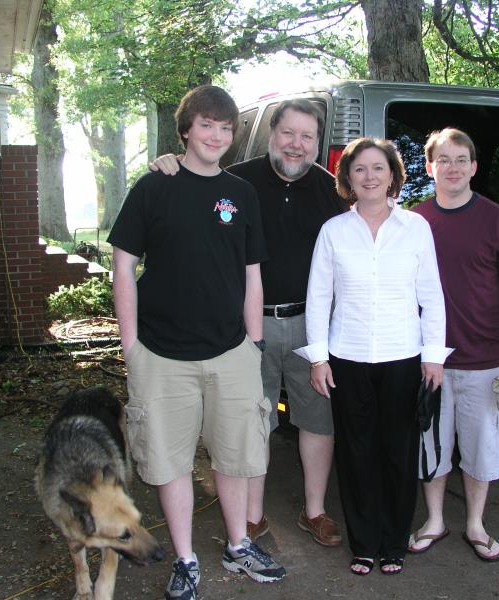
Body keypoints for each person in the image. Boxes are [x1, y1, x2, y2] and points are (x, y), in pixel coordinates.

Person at [109, 85, 285, 600]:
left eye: (226, 128)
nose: (217, 135)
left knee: (236, 456)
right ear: (186, 130)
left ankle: (238, 546)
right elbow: (123, 266)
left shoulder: (242, 194)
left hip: (232, 351)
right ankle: (185, 559)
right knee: (169, 462)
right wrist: (131, 345)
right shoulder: (153, 186)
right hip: (161, 355)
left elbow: (254, 274)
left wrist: (254, 343)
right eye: (206, 125)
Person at [150, 99, 348, 547]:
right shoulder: (236, 182)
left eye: (308, 136)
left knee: (318, 420)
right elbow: (192, 205)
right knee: (253, 422)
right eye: (288, 133)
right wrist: (168, 165)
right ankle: (253, 518)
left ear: (318, 143)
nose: (296, 145)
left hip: (311, 328)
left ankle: (314, 511)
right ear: (270, 134)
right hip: (246, 327)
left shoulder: (332, 190)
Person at [295, 137, 451, 576]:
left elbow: (432, 296)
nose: (369, 177)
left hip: (405, 356)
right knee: (358, 453)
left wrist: (434, 356)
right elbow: (319, 296)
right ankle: (364, 544)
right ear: (348, 178)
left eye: (377, 168)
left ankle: (393, 543)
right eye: (360, 169)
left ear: (392, 176)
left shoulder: (416, 228)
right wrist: (319, 359)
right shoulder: (334, 231)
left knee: (398, 453)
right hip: (348, 357)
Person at [407, 128, 499, 562]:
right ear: (430, 167)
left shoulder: (497, 219)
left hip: (486, 359)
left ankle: (476, 524)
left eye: (461, 159)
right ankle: (436, 520)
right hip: (430, 362)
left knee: (482, 449)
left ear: (474, 167)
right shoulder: (414, 221)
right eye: (444, 160)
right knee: (432, 445)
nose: (453, 167)